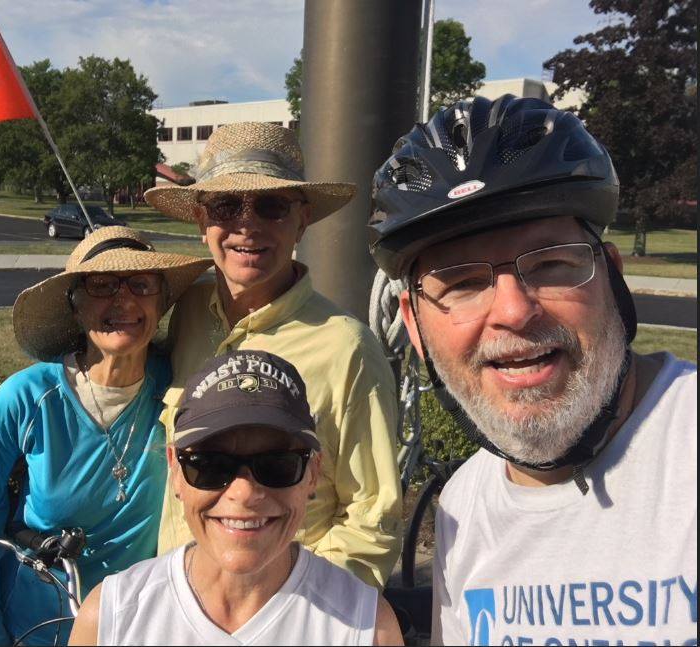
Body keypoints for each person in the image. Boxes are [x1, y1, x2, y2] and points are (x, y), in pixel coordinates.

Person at [368, 95, 697, 645]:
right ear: (415, 327)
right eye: (463, 283)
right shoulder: (464, 508)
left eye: (550, 264)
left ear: (612, 280)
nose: (514, 311)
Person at [144, 122, 403, 589]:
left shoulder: (347, 349)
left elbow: (372, 518)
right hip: (177, 601)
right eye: (226, 206)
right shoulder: (188, 314)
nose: (247, 225)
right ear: (202, 221)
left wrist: (296, 610)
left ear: (302, 220)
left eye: (271, 206)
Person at [0, 226, 211, 645]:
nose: (124, 300)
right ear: (75, 304)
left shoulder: (179, 388)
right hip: (43, 629)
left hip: (145, 628)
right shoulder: (25, 401)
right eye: (102, 285)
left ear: (161, 302)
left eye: (142, 284)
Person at [69, 350, 405, 646]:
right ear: (175, 470)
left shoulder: (368, 628)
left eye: (277, 464)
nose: (244, 493)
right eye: (209, 465)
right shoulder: (111, 619)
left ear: (313, 473)